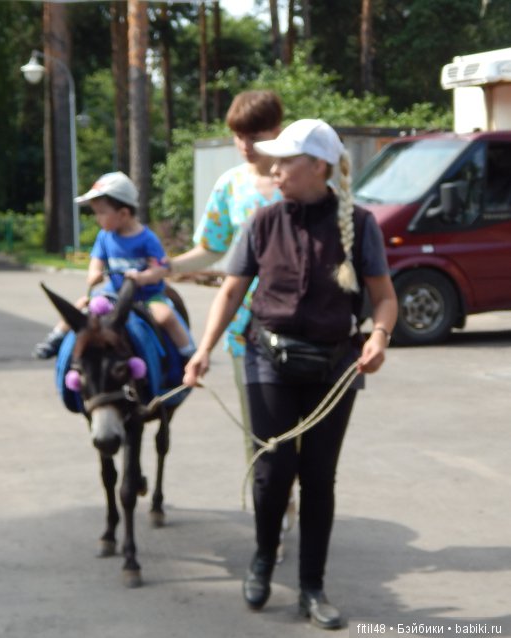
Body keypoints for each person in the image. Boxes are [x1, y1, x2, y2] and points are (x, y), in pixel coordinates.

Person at [183, 119, 398, 630]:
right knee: (272, 469)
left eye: (285, 161)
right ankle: (261, 558)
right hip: (266, 359)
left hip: (335, 368)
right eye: (272, 161)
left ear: (318, 167)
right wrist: (203, 350)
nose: (274, 170)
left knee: (318, 477)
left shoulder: (361, 225)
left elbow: (385, 298)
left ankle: (313, 587)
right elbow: (232, 291)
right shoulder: (262, 223)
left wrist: (379, 338)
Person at [169, 89, 283, 463]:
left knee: (298, 425)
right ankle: (271, 504)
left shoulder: (299, 181)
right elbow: (212, 248)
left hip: (302, 324)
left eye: (254, 136)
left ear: (277, 130)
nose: (245, 145)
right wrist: (166, 268)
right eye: (238, 136)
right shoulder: (231, 185)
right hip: (245, 330)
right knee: (258, 426)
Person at [33, 171, 194, 359]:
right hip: (112, 293)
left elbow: (160, 268)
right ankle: (56, 337)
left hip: (147, 295)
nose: (97, 218)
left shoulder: (147, 238)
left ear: (123, 213)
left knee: (166, 316)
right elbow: (97, 261)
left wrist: (143, 277)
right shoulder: (104, 237)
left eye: (101, 213)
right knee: (80, 307)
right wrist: (94, 273)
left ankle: (188, 354)